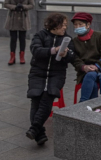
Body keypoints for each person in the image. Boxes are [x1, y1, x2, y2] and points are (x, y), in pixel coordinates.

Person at [26, 13, 75, 146]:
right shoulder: (40, 35)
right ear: (54, 25)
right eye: (62, 24)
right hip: (38, 72)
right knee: (36, 99)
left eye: (66, 25)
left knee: (48, 98)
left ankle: (34, 128)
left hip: (57, 74)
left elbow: (73, 56)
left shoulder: (68, 39)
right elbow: (36, 50)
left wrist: (65, 54)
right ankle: (39, 134)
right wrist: (54, 50)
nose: (65, 27)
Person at [71, 12, 101, 102]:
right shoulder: (74, 41)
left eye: (80, 24)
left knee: (91, 74)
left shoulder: (98, 36)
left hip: (100, 70)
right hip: (83, 72)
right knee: (93, 83)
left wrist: (97, 66)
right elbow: (75, 59)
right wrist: (84, 67)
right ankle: (92, 107)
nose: (77, 27)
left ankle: (82, 102)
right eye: (75, 25)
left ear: (88, 24)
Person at [4, 0, 35, 65]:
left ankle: (22, 57)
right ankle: (12, 57)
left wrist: (23, 7)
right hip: (12, 19)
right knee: (13, 39)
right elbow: (5, 4)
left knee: (22, 39)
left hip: (23, 19)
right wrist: (14, 7)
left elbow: (32, 5)